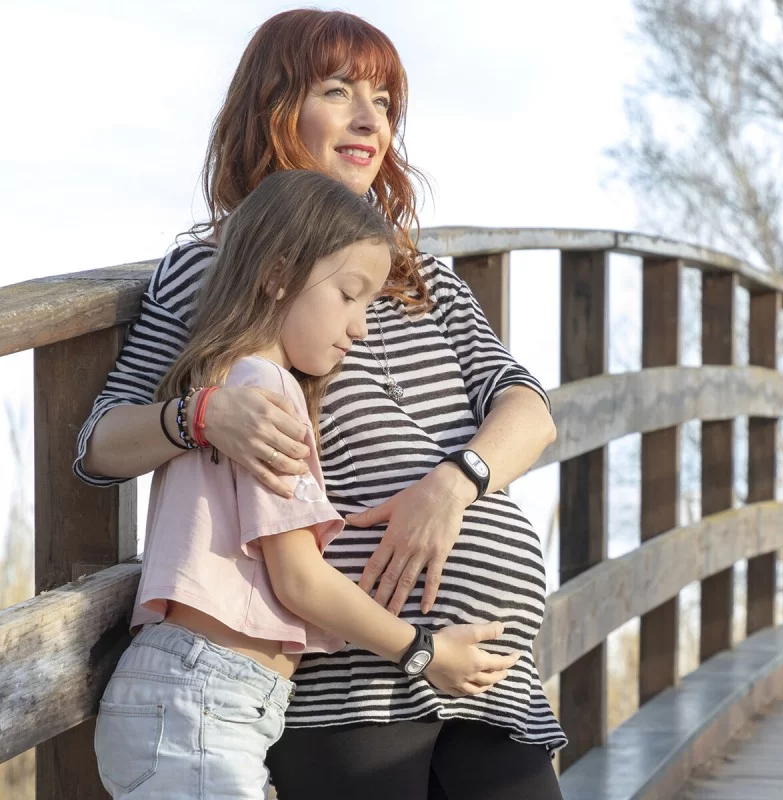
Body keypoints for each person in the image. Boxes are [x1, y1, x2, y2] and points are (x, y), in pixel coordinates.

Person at [76, 9, 566, 799]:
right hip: (352, 694)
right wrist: (197, 418)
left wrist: (453, 486)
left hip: (488, 679)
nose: (370, 119)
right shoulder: (213, 269)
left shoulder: (423, 277)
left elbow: (530, 410)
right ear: (275, 109)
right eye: (339, 91)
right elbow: (101, 441)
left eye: (384, 100)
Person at [93, 169, 517, 800]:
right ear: (278, 274)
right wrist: (424, 652)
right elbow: (297, 578)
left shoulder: (224, 381)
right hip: (203, 701)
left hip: (204, 701)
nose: (363, 327)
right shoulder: (263, 393)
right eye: (350, 295)